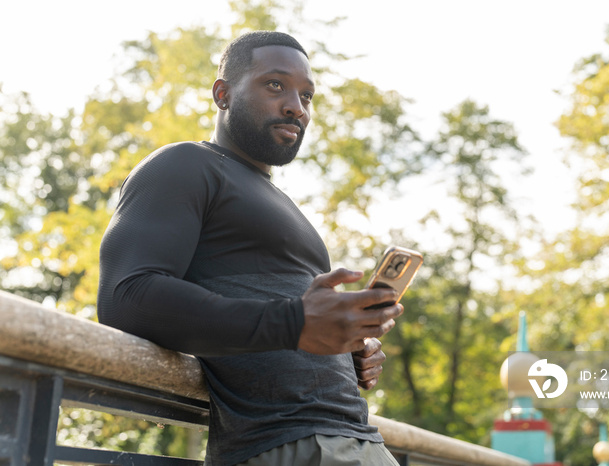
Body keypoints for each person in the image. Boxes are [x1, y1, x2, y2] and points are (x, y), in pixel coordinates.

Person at [97, 31, 403, 466]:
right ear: (223, 94)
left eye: (307, 95)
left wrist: (345, 345)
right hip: (289, 446)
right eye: (275, 85)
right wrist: (294, 322)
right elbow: (126, 297)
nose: (296, 106)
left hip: (356, 440)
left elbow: (277, 320)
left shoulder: (286, 207)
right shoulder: (184, 164)